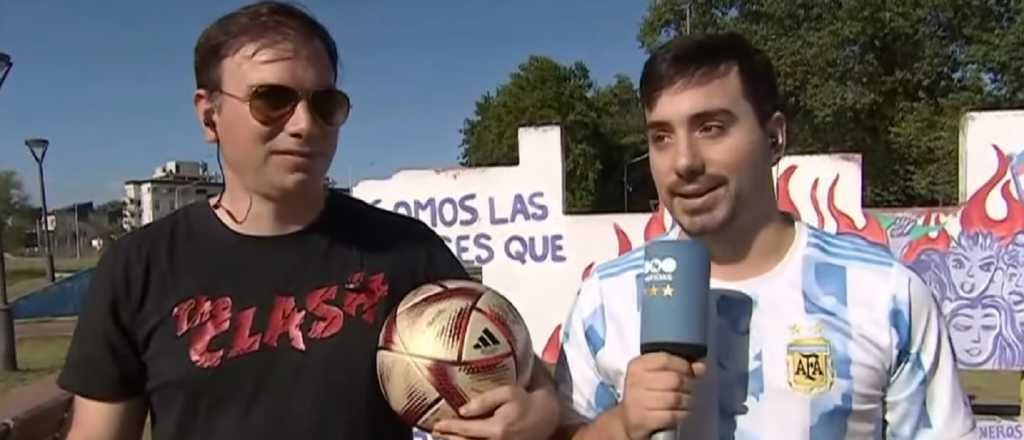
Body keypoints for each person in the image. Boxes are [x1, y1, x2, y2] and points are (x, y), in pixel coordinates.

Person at [57, 2, 558, 439]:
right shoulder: (139, 266)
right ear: (209, 116)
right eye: (271, 100)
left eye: (324, 104)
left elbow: (529, 377)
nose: (304, 125)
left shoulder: (405, 250)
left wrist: (538, 412)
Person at [554, 33, 976, 439]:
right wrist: (622, 427)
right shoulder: (604, 300)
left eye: (711, 128)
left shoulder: (887, 297)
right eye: (661, 136)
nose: (683, 161)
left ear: (774, 138)